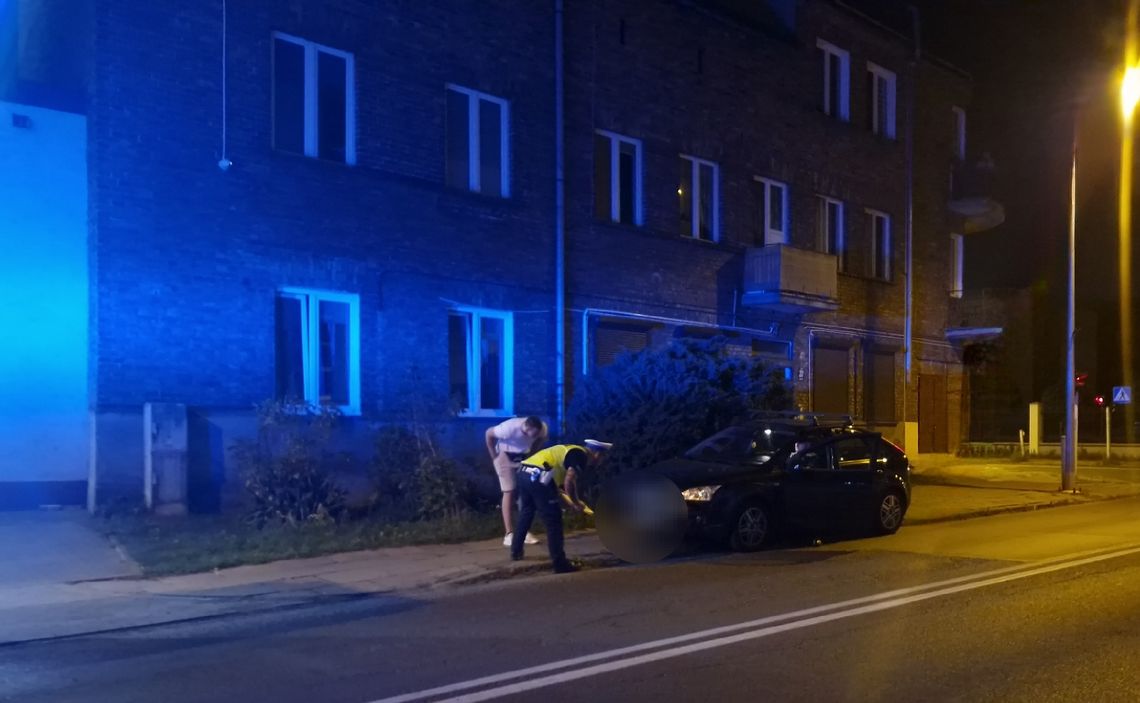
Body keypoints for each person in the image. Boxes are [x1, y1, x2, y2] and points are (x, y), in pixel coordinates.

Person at [511, 439, 612, 574]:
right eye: (602, 457)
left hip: (524, 472)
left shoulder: (570, 451)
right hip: (539, 475)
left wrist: (572, 504)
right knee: (554, 521)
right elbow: (569, 480)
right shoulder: (580, 455)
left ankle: (516, 552)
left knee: (527, 512)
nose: (601, 461)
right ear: (597, 454)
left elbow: (558, 490)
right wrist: (576, 502)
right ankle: (560, 564)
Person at [485, 415, 548, 546]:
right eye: (532, 433)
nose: (533, 436)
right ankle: (509, 534)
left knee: (525, 491)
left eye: (536, 434)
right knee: (509, 491)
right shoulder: (508, 428)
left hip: (523, 457)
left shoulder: (542, 429)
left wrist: (533, 455)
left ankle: (523, 531)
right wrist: (494, 457)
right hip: (505, 457)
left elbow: (541, 439)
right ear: (526, 426)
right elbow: (489, 434)